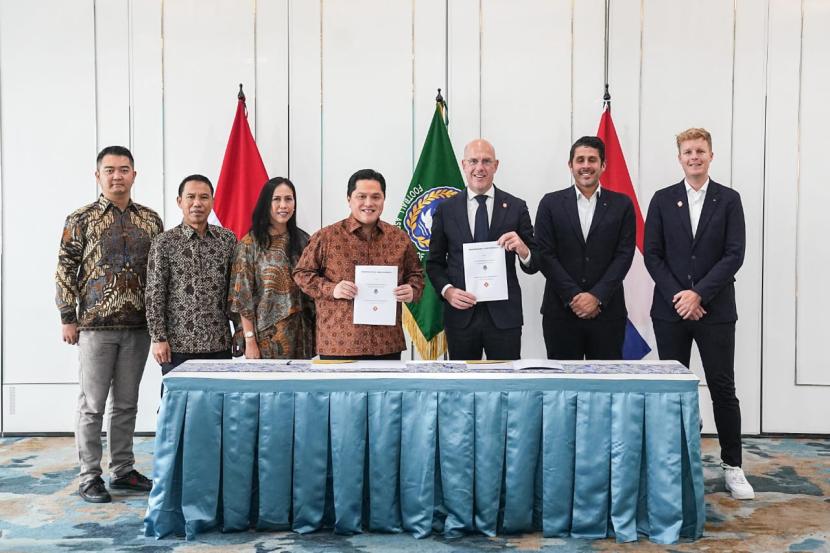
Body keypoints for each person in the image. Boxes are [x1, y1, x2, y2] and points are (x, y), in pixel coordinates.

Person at [643, 127, 754, 500]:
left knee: (723, 388)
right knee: (673, 392)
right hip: (671, 311)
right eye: (688, 152)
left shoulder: (729, 199)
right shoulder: (661, 200)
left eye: (700, 151)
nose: (694, 157)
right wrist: (680, 295)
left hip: (715, 309)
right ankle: (673, 462)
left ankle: (733, 466)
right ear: (679, 158)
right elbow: (653, 254)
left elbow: (734, 254)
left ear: (711, 155)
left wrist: (699, 294)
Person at [55, 146, 163, 503]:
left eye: (124, 169)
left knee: (127, 403)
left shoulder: (151, 220)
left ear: (134, 174)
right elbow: (65, 270)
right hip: (95, 327)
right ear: (97, 175)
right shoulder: (80, 219)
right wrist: (68, 317)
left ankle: (122, 469)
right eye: (110, 170)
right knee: (92, 404)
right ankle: (89, 476)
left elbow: (159, 275)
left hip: (138, 327)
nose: (117, 176)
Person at [293, 168, 424, 360]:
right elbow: (302, 273)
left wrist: (412, 290)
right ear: (349, 199)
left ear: (384, 200)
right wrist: (332, 289)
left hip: (386, 344)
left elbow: (417, 275)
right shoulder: (327, 236)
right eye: (361, 196)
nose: (368, 203)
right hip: (339, 344)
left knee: (387, 392)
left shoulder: (399, 238)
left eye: (376, 197)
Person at [426, 139, 535, 360]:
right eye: (473, 161)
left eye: (486, 161)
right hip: (461, 317)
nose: (480, 168)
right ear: (464, 165)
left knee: (506, 387)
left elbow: (534, 263)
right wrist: (448, 291)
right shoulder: (446, 209)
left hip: (505, 318)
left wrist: (524, 250)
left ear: (496, 165)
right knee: (463, 389)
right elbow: (434, 263)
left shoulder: (516, 206)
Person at [533, 136, 635, 359]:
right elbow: (545, 255)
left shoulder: (623, 205)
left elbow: (624, 255)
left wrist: (596, 297)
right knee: (562, 391)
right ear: (571, 165)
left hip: (608, 314)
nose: (586, 166)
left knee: (606, 389)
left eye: (592, 160)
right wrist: (574, 296)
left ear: (603, 165)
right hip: (560, 314)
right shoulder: (550, 204)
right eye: (580, 160)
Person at [146, 175, 237, 375]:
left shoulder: (227, 240)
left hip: (219, 344)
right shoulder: (164, 242)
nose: (197, 203)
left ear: (213, 201)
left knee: (219, 405)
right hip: (178, 347)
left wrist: (239, 330)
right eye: (191, 197)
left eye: (204, 197)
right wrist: (158, 338)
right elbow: (155, 293)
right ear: (180, 201)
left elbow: (235, 291)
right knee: (179, 405)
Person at [228, 177, 315, 358]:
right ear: (266, 203)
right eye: (277, 199)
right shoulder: (250, 244)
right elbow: (242, 297)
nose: (283, 205)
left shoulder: (304, 240)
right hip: (266, 338)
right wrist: (249, 339)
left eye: (288, 199)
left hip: (302, 335)